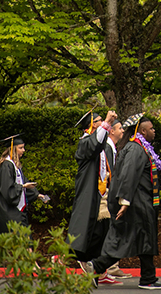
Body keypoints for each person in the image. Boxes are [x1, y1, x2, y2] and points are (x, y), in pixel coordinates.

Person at [83, 113, 161, 290]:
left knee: (142, 239)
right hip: (137, 203)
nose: (154, 131)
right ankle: (97, 266)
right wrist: (124, 201)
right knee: (129, 239)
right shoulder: (135, 149)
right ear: (143, 131)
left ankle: (148, 277)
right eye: (151, 128)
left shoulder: (139, 148)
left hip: (142, 202)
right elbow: (128, 176)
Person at [65, 109, 127, 285]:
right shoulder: (85, 143)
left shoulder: (98, 144)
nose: (103, 123)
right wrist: (108, 122)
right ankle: (63, 257)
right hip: (89, 193)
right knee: (86, 231)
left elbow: (99, 144)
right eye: (99, 121)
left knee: (100, 231)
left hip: (99, 194)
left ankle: (96, 269)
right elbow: (95, 143)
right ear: (91, 125)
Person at [0, 134, 50, 239]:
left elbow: (23, 181)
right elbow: (7, 189)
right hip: (8, 212)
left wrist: (37, 194)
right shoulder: (7, 166)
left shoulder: (15, 165)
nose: (24, 150)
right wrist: (23, 186)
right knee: (22, 239)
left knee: (26, 239)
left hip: (18, 212)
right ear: (12, 149)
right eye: (20, 148)